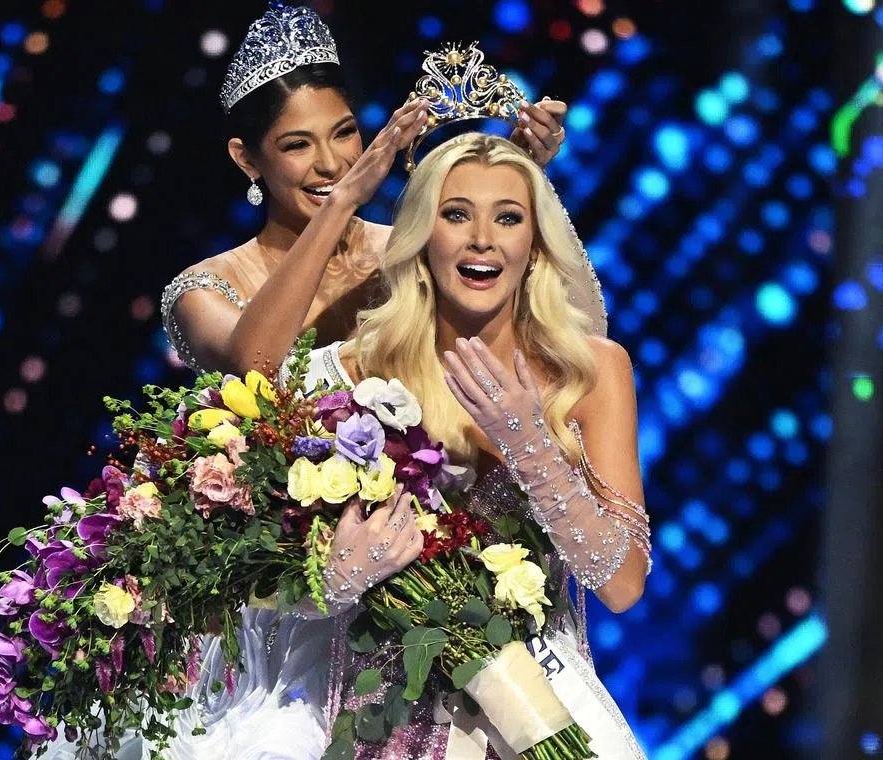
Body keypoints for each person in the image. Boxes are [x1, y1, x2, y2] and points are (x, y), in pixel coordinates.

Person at [295, 132, 651, 759]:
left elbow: (621, 584)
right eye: (456, 214)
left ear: (534, 246)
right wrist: (337, 577)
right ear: (421, 238)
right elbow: (264, 595)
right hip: (378, 712)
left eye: (508, 218)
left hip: (532, 711)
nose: (482, 238)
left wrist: (530, 443)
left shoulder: (591, 372)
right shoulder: (345, 374)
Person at [159, 2, 587, 379]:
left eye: (344, 134)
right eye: (297, 145)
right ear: (246, 159)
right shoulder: (203, 290)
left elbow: (523, 322)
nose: (331, 163)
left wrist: (516, 167)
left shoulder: (406, 250)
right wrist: (343, 201)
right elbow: (254, 365)